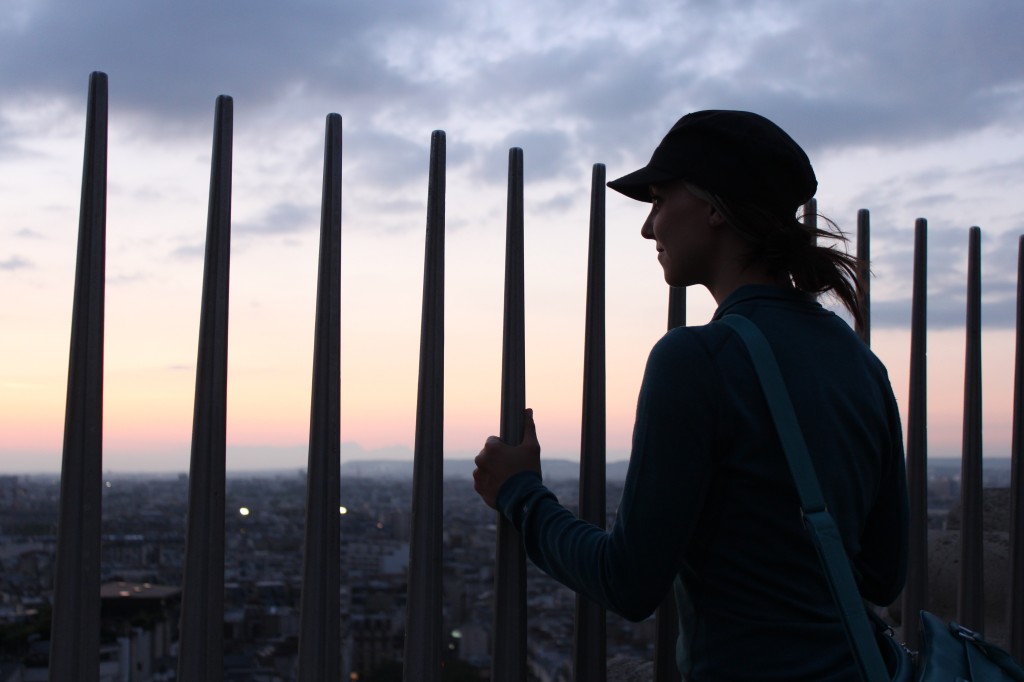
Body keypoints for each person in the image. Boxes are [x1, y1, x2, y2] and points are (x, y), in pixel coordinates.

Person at [472, 110, 908, 681]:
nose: (649, 227)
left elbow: (628, 581)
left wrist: (521, 495)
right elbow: (881, 574)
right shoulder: (861, 365)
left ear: (712, 207)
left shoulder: (696, 360)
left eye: (657, 199)